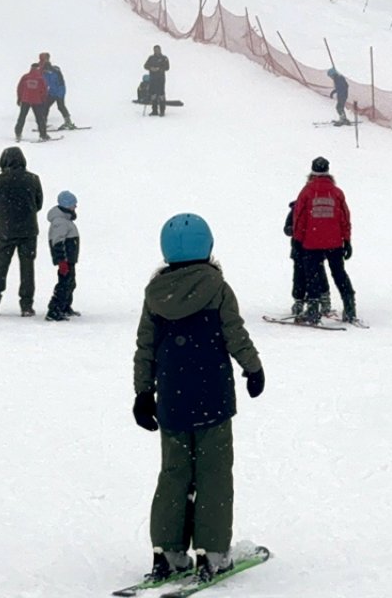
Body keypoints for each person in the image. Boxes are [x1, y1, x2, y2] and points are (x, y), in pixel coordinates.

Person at [131, 212, 264, 584]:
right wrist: (253, 368)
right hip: (213, 397)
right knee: (214, 474)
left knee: (174, 473)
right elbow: (234, 333)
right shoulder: (217, 287)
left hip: (172, 399)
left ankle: (169, 552)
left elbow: (146, 347)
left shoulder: (156, 294)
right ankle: (213, 552)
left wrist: (144, 392)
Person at [293, 157, 356, 324]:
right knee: (339, 274)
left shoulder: (306, 191)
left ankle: (313, 311)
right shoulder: (336, 192)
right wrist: (347, 241)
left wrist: (297, 240)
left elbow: (299, 218)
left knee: (312, 275)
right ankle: (349, 307)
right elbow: (345, 218)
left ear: (312, 171)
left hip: (311, 242)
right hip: (334, 242)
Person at [0, 147, 44, 317]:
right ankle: (26, 305)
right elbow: (38, 203)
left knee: (1, 266)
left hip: (6, 229)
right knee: (27, 268)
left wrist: (4, 215)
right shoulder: (33, 179)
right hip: (28, 230)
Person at [284, 200, 329, 318]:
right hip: (301, 251)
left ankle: (323, 299)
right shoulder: (295, 210)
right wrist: (293, 229)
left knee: (318, 275)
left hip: (313, 250)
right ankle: (299, 301)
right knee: (300, 276)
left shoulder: (315, 210)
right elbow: (287, 228)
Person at [44, 190, 81, 322]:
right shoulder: (60, 221)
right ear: (66, 205)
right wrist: (62, 261)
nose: (75, 207)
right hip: (65, 260)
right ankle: (54, 310)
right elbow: (57, 242)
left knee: (70, 283)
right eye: (73, 204)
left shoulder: (65, 220)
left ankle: (65, 307)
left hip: (69, 260)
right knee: (64, 284)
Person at [38, 53, 75, 130]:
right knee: (45, 106)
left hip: (59, 91)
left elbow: (60, 82)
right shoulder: (45, 72)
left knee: (60, 106)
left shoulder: (54, 71)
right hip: (52, 91)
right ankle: (43, 123)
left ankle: (68, 122)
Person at [15, 63, 50, 142]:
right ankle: (43, 135)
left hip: (25, 100)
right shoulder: (40, 78)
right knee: (40, 119)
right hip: (37, 101)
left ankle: (18, 133)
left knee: (22, 117)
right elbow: (44, 90)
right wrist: (43, 100)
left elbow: (20, 88)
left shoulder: (25, 77)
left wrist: (19, 98)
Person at [143, 45, 170, 117]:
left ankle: (162, 111)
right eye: (155, 50)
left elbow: (167, 67)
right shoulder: (151, 58)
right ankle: (154, 110)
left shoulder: (164, 58)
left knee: (161, 95)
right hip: (152, 79)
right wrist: (151, 68)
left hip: (160, 79)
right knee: (153, 95)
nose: (156, 51)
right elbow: (145, 66)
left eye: (158, 50)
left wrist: (159, 69)